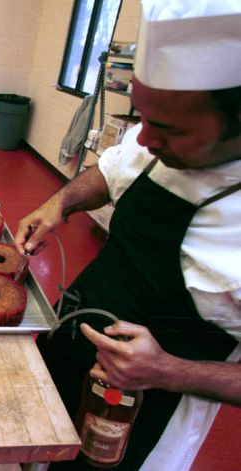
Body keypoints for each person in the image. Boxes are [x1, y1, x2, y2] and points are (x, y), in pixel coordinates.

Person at [14, 1, 241, 470]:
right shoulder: (155, 138)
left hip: (148, 407)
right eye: (143, 117)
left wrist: (167, 370)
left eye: (167, 129)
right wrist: (59, 203)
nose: (143, 138)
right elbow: (113, 170)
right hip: (70, 349)